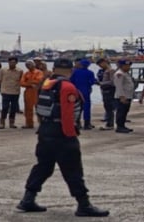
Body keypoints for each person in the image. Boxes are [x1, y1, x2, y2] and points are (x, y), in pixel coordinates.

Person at [16, 58, 109, 217]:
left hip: (45, 131)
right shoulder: (67, 87)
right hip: (62, 133)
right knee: (73, 170)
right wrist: (71, 135)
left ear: (54, 68)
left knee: (43, 167)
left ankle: (28, 198)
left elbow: (40, 108)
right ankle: (83, 204)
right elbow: (67, 114)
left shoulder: (46, 84)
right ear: (71, 70)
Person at [70, 59, 97, 130]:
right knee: (87, 108)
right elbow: (92, 82)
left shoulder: (75, 72)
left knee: (77, 107)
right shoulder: (90, 73)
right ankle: (87, 124)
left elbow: (71, 81)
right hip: (86, 91)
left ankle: (77, 123)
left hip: (76, 91)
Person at [0, 56, 22, 129]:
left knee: (14, 108)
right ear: (8, 62)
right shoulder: (3, 70)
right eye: (11, 62)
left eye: (14, 62)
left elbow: (21, 80)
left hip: (15, 91)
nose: (12, 64)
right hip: (5, 91)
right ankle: (2, 122)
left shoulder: (20, 71)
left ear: (16, 63)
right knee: (5, 107)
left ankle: (12, 122)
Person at [20, 60, 44, 129]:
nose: (28, 66)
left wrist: (28, 82)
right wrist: (30, 84)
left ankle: (42, 123)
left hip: (37, 91)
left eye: (30, 64)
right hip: (28, 91)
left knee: (39, 108)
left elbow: (39, 80)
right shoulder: (26, 73)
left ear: (34, 65)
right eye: (27, 65)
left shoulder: (39, 72)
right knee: (28, 109)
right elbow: (21, 83)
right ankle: (29, 123)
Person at [114, 59, 136, 133]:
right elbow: (119, 86)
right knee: (121, 112)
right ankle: (119, 127)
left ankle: (122, 125)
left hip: (128, 96)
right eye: (126, 66)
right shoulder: (119, 74)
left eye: (129, 66)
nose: (128, 67)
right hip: (123, 96)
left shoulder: (125, 73)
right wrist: (122, 96)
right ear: (122, 66)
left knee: (125, 111)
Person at [96, 58, 116, 130]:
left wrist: (101, 83)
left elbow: (113, 82)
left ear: (104, 62)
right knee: (107, 107)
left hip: (109, 91)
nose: (100, 66)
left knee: (109, 108)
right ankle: (109, 123)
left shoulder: (111, 71)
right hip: (104, 90)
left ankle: (110, 124)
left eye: (100, 64)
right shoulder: (102, 71)